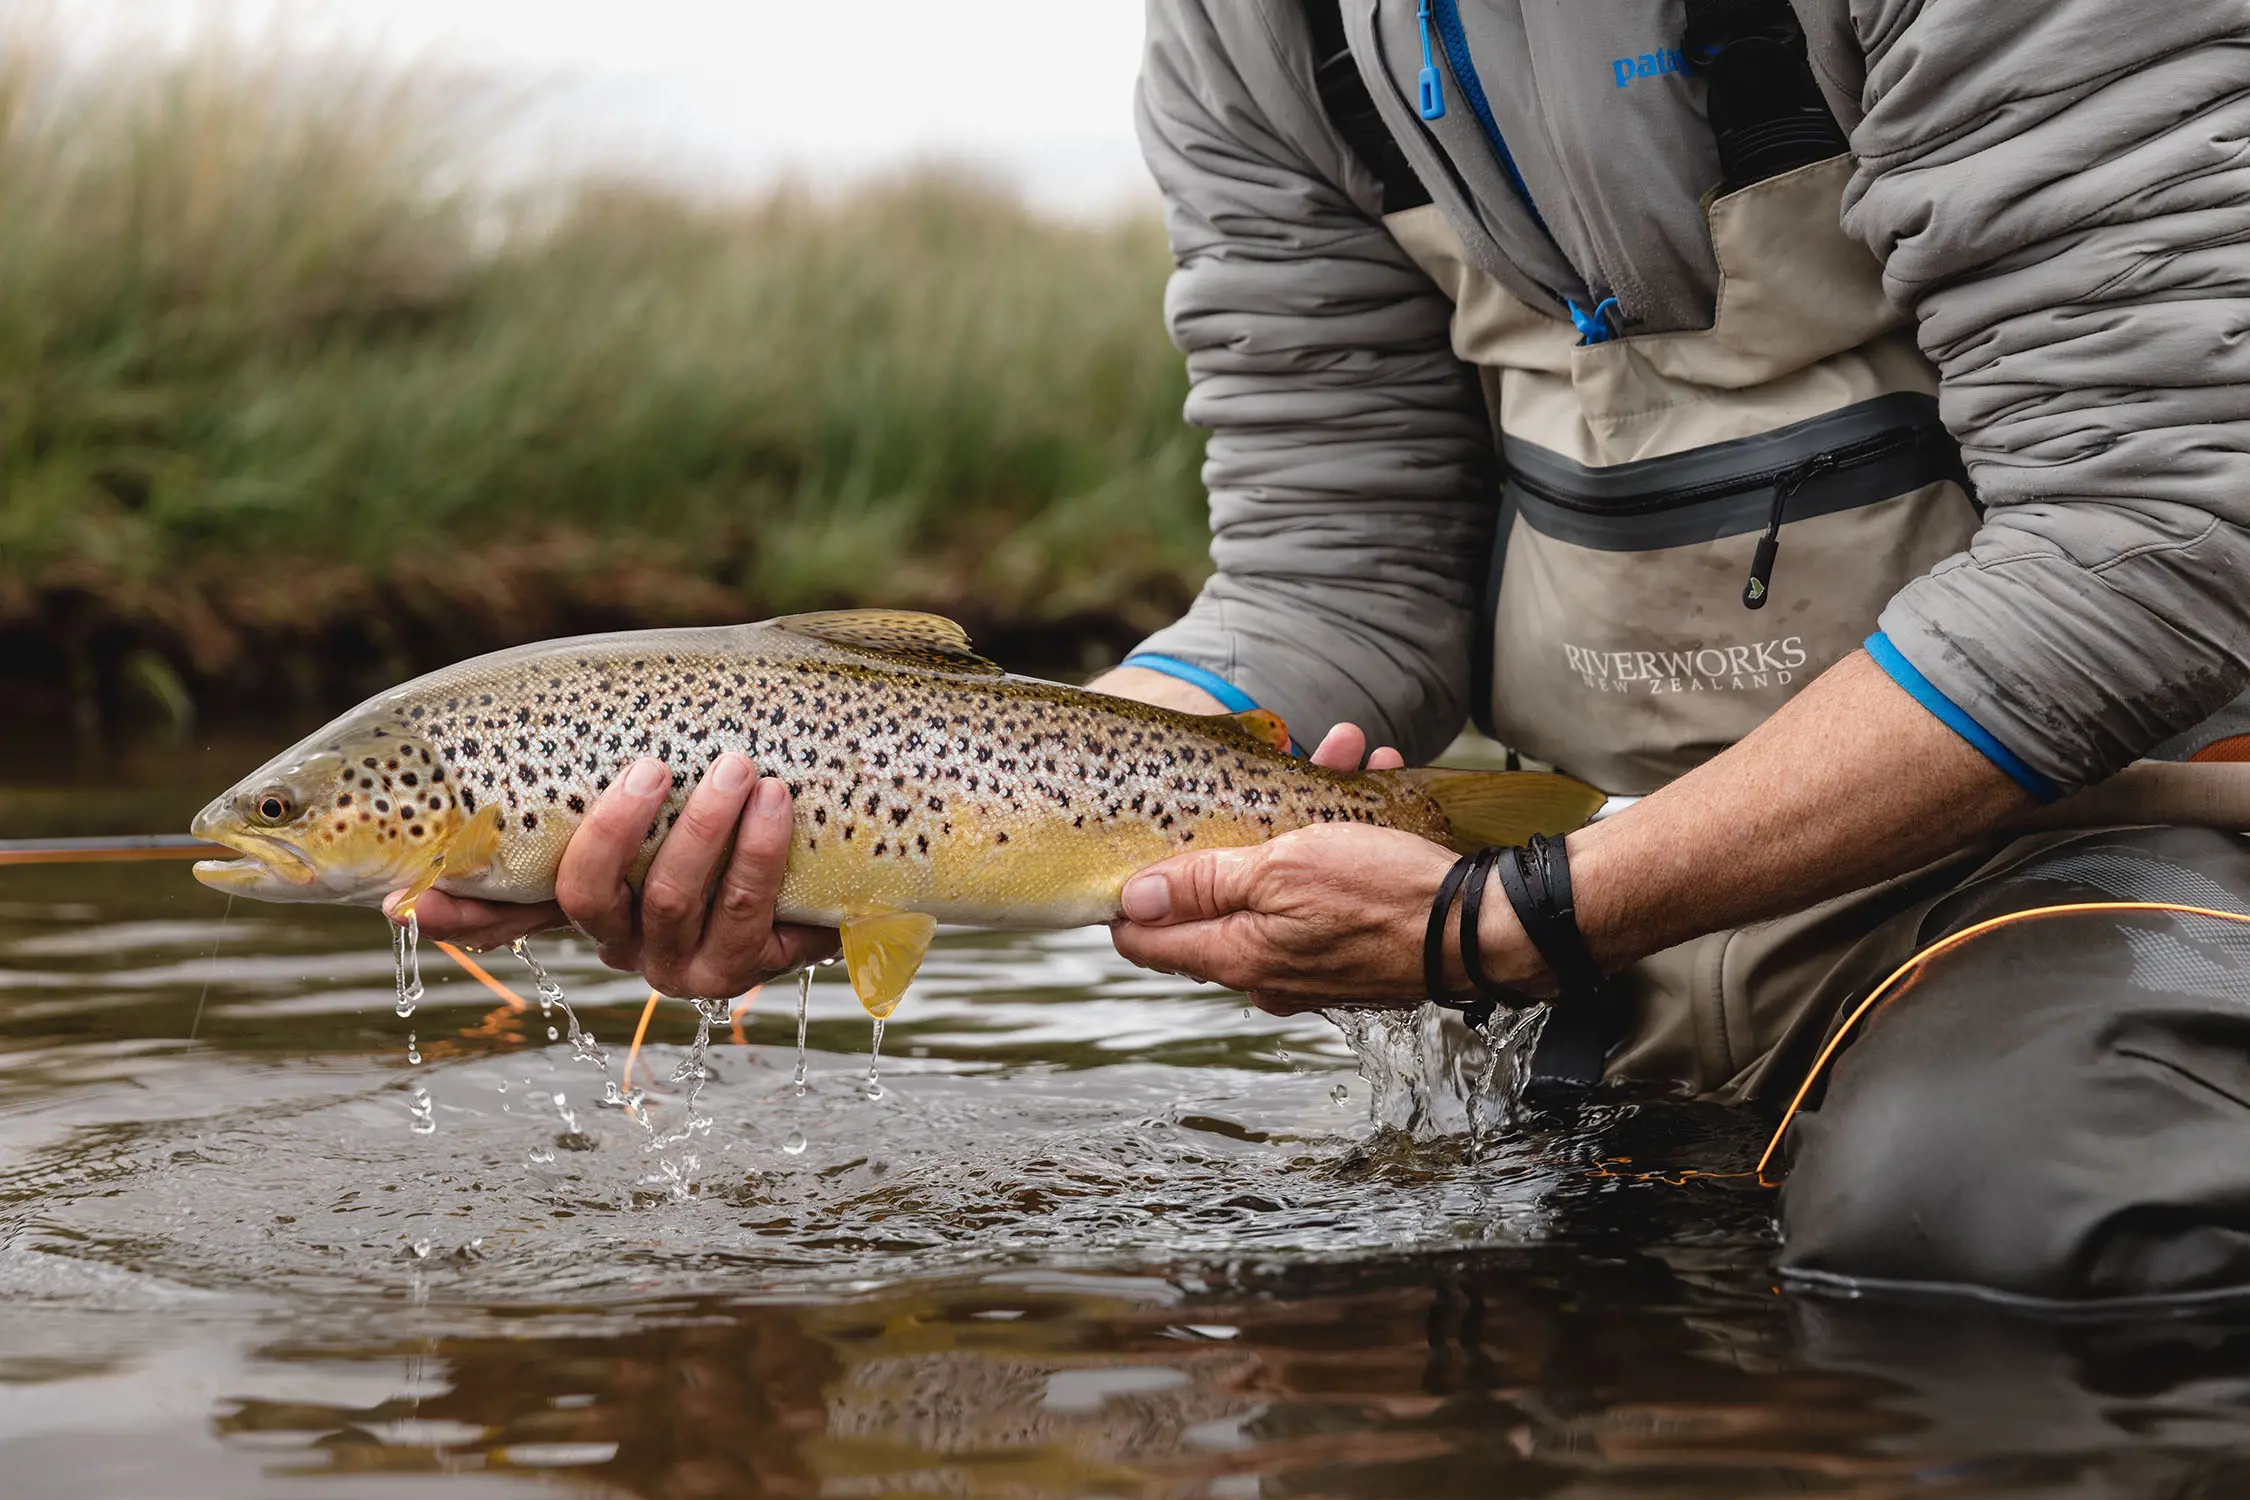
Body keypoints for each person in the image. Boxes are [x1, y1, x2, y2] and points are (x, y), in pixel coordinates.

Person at [401, 0, 2250, 1305]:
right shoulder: (1252, 29)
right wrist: (908, 812)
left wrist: (1504, 919)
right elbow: (1336, 575)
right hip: (1587, 912)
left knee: (2015, 1218)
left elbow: (2165, 533)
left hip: (2114, 861)